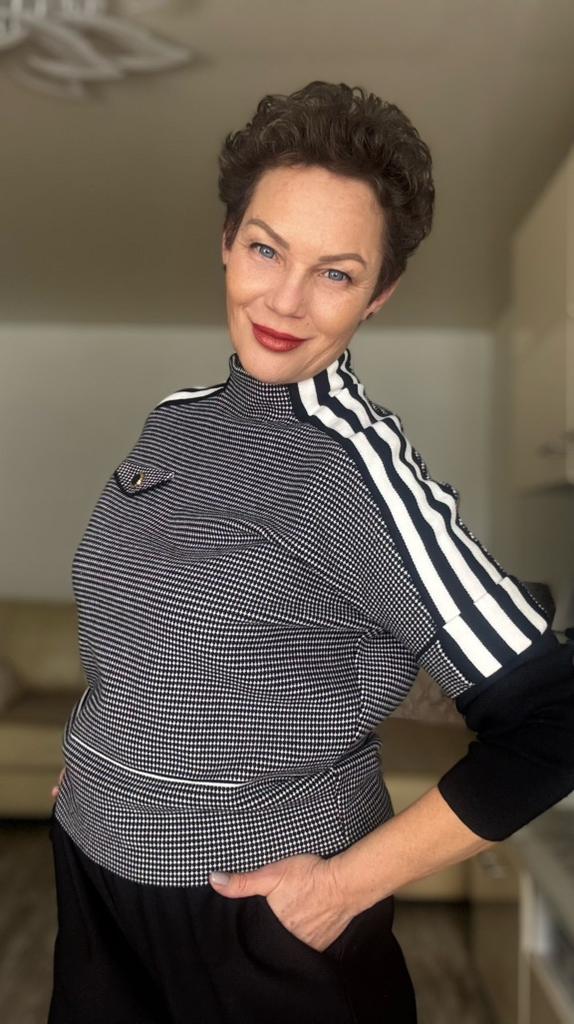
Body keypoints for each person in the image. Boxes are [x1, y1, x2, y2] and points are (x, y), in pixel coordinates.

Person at [47, 81, 574, 1024]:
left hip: (254, 926)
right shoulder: (173, 425)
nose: (285, 300)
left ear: (379, 295)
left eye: (335, 272)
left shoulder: (352, 472)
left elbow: (556, 717)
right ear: (226, 240)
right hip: (94, 886)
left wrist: (342, 888)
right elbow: (141, 627)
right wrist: (99, 764)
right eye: (266, 249)